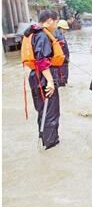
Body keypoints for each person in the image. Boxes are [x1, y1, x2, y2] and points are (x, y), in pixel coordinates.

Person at [21, 10, 65, 150]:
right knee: (50, 112)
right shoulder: (42, 36)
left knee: (42, 111)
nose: (57, 25)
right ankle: (51, 144)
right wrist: (51, 82)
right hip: (44, 78)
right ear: (50, 20)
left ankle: (44, 139)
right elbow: (42, 60)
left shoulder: (32, 34)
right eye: (57, 22)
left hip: (35, 77)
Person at [55, 20, 70, 87]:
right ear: (60, 28)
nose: (65, 31)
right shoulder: (59, 36)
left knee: (62, 76)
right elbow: (63, 49)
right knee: (62, 77)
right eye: (65, 29)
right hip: (62, 60)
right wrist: (66, 58)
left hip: (63, 60)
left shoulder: (59, 34)